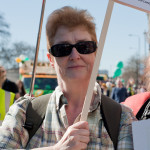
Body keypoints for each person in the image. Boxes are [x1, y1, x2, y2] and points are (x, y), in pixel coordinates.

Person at [0, 6, 136, 149]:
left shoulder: (123, 119)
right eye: (62, 49)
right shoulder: (24, 112)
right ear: (51, 59)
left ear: (96, 54)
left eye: (84, 46)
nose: (75, 56)